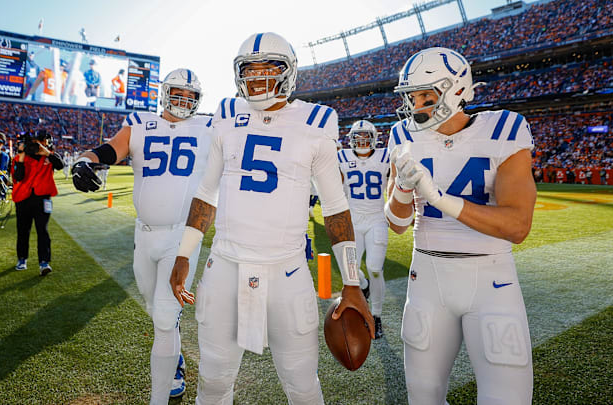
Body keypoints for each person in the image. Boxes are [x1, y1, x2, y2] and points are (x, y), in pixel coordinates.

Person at [169, 32, 373, 404]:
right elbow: (205, 193)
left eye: (268, 69)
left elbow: (335, 208)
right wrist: (184, 254)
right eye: (250, 69)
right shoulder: (227, 114)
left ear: (288, 73)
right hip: (225, 265)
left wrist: (352, 282)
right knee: (213, 381)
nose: (258, 78)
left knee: (301, 383)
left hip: (287, 271)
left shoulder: (316, 121)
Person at [385, 47, 536, 404]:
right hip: (427, 278)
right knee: (422, 397)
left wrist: (440, 199)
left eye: (426, 95)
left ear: (455, 90)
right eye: (411, 96)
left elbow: (517, 225)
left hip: (491, 281)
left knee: (506, 399)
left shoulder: (504, 128)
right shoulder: (402, 135)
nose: (416, 105)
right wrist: (404, 190)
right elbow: (396, 223)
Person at [72, 68, 212, 402]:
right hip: (144, 236)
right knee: (156, 310)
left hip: (182, 235)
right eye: (178, 93)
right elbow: (110, 150)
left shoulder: (208, 126)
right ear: (165, 93)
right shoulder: (140, 122)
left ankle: (159, 396)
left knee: (165, 316)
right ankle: (174, 355)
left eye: (191, 96)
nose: (184, 101)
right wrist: (84, 161)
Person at [337, 120, 390, 339]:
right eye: (356, 138)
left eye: (364, 137)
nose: (361, 142)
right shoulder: (342, 158)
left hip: (377, 218)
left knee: (375, 267)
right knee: (352, 270)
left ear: (373, 139)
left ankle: (376, 314)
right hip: (353, 220)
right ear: (351, 140)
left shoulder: (385, 157)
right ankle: (364, 285)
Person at [11, 131, 63, 275]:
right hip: (23, 198)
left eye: (40, 142)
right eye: (34, 143)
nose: (37, 146)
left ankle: (44, 262)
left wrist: (47, 154)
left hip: (43, 198)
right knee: (22, 230)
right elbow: (18, 177)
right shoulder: (18, 158)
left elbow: (61, 165)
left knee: (43, 230)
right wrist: (21, 157)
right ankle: (22, 259)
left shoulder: (50, 157)